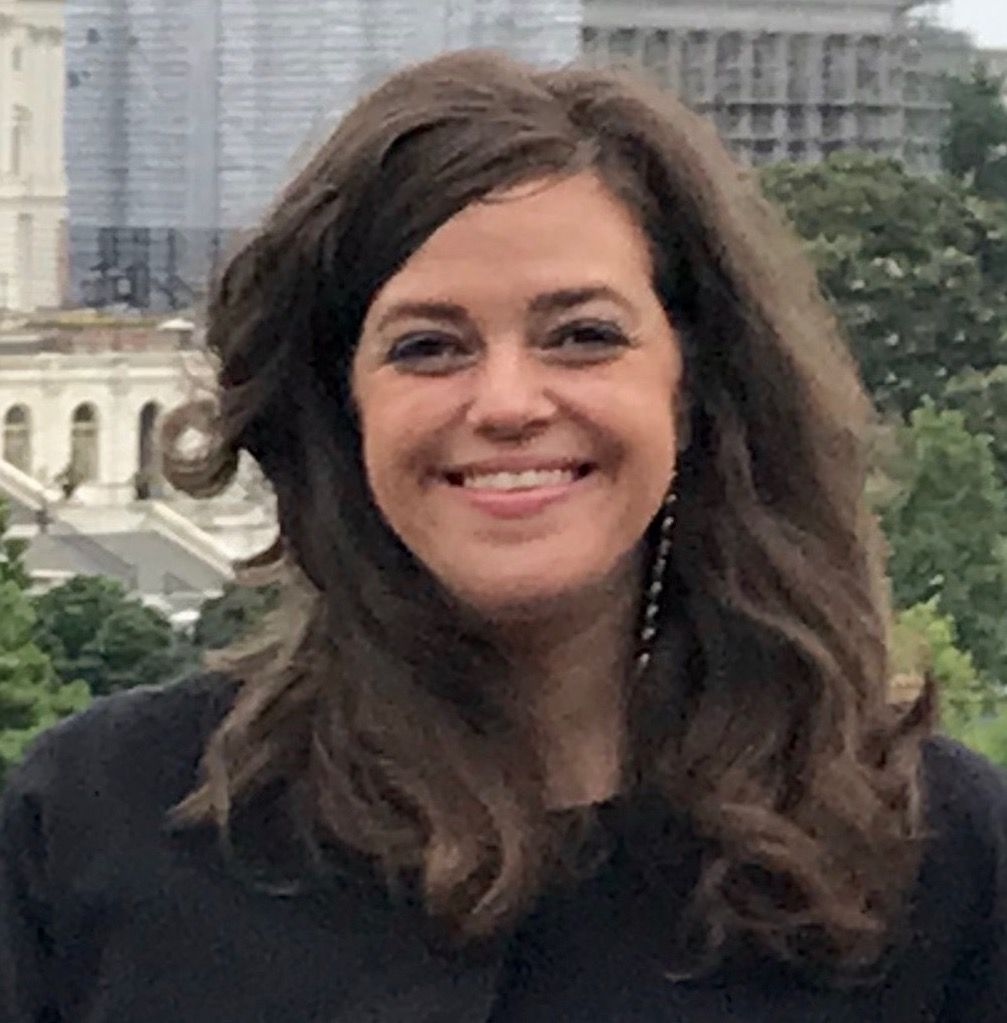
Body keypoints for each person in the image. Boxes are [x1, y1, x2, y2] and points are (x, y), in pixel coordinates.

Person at [2, 50, 1005, 1022]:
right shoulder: (95, 829)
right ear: (337, 403)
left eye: (581, 335)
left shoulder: (932, 866)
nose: (508, 403)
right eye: (427, 346)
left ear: (694, 384)